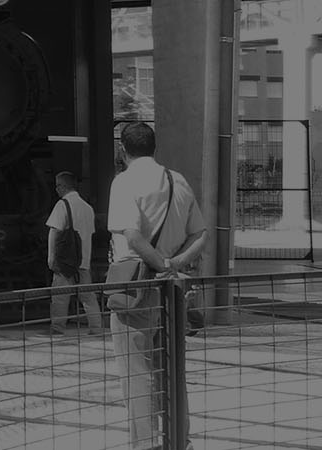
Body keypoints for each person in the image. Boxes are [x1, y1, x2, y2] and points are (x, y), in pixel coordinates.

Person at [105, 122, 207, 450]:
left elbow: (132, 236)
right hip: (175, 290)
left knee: (137, 373)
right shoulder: (177, 180)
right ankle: (180, 441)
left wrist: (159, 265)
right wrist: (174, 265)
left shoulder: (124, 182)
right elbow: (200, 234)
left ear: (123, 150)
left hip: (136, 291)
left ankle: (146, 445)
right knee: (172, 372)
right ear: (154, 147)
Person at [45, 171, 104, 336]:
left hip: (65, 260)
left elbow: (54, 232)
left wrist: (51, 257)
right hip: (83, 260)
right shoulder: (88, 208)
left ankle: (57, 328)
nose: (56, 189)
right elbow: (89, 234)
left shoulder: (62, 205)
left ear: (63, 186)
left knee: (60, 296)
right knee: (88, 296)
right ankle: (96, 327)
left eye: (57, 186)